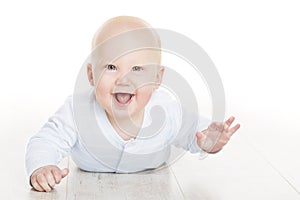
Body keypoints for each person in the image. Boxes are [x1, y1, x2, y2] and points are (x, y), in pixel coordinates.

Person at [26, 16, 240, 192]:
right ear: (91, 75)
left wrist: (210, 140)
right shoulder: (77, 111)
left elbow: (195, 130)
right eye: (111, 67)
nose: (123, 79)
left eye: (137, 69)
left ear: (157, 77)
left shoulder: (166, 109)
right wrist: (42, 166)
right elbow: (45, 141)